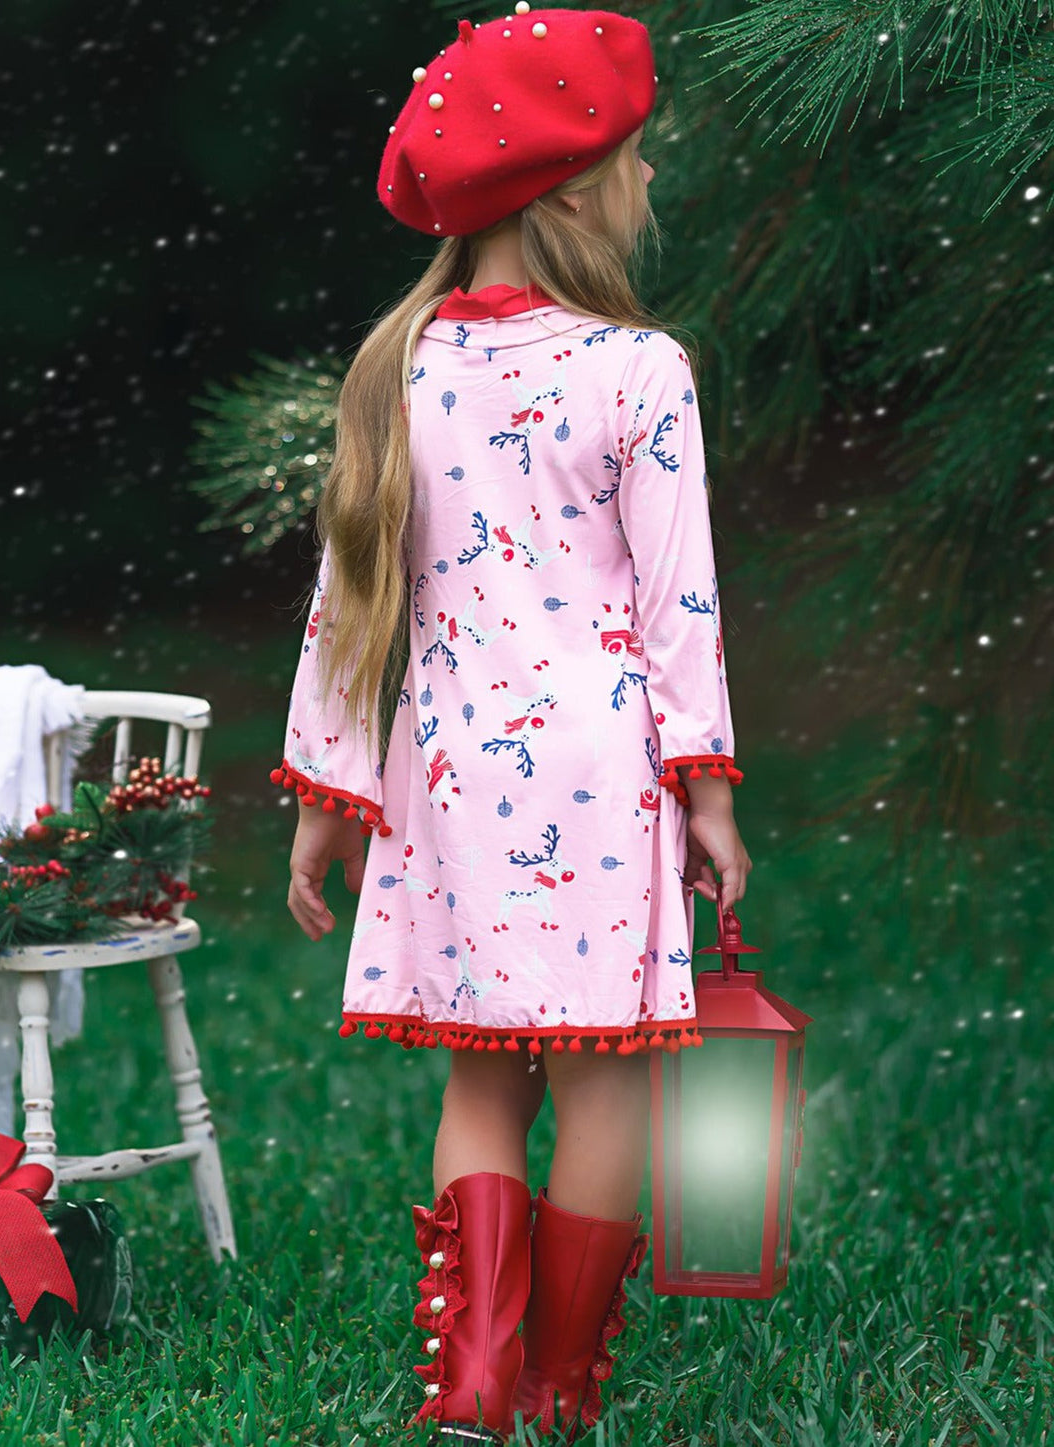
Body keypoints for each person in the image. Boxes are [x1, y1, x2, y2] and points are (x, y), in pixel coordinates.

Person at [270, 6, 753, 1441]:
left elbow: (347, 604)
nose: (649, 176)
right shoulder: (638, 368)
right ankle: (557, 1387)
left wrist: (326, 796)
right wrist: (709, 789)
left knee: (483, 1083)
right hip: (604, 773)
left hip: (453, 774)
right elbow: (678, 601)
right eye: (636, 155)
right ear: (570, 187)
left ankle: (473, 1376)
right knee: (604, 1088)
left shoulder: (398, 368)